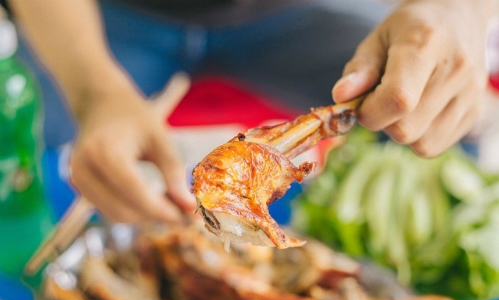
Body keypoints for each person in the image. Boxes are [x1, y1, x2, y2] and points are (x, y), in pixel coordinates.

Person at [8, 0, 493, 225]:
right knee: (24, 142)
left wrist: (461, 10)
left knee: (439, 114)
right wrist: (96, 91)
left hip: (305, 11)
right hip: (107, 14)